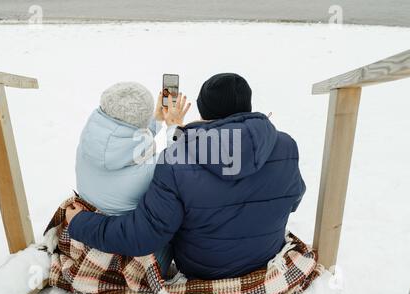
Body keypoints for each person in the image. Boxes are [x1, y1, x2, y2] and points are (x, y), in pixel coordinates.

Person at [67, 73, 306, 280]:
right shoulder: (286, 145)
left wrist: (79, 222)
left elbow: (145, 234)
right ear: (248, 106)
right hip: (266, 255)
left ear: (203, 111)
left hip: (203, 268)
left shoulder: (175, 160)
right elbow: (294, 200)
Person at [74, 82, 189, 277]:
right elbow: (181, 160)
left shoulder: (89, 142)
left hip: (87, 230)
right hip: (127, 246)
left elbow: (126, 142)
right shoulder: (149, 173)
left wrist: (154, 120)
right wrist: (174, 127)